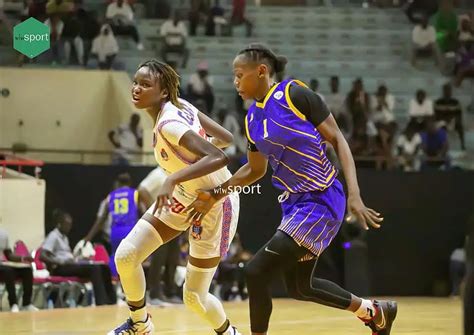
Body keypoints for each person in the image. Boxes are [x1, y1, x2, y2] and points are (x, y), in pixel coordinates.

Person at [185, 43, 396, 335]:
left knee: (255, 271)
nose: (235, 82)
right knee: (300, 287)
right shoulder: (251, 119)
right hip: (293, 206)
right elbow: (255, 170)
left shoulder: (293, 93)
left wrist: (354, 195)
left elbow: (338, 139)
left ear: (261, 71)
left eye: (239, 75)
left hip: (321, 200)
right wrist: (215, 195)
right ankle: (374, 311)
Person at [107, 60, 241, 335]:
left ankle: (229, 333)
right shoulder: (183, 106)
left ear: (164, 92)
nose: (136, 88)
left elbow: (219, 155)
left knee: (194, 297)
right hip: (186, 194)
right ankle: (140, 324)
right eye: (136, 82)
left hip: (214, 201)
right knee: (127, 255)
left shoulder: (169, 123)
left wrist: (173, 178)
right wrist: (187, 172)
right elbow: (225, 137)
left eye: (145, 84)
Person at [40, 210, 117, 305]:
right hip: (60, 268)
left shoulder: (64, 237)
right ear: (59, 224)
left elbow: (67, 255)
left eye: (70, 224)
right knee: (95, 269)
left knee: (104, 267)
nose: (69, 227)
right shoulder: (53, 236)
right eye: (67, 224)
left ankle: (112, 301)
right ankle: (101, 302)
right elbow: (42, 255)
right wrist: (59, 261)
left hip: (70, 265)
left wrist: (79, 259)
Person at [137, 167, 182, 306]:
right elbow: (142, 189)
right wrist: (155, 207)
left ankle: (170, 291)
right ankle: (154, 294)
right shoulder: (159, 172)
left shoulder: (178, 171)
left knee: (173, 258)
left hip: (174, 221)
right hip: (160, 221)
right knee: (159, 257)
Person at [84, 173, 143, 277]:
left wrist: (88, 237)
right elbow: (143, 212)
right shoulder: (135, 194)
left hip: (115, 231)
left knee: (115, 256)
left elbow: (102, 219)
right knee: (133, 259)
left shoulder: (111, 196)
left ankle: (113, 281)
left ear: (118, 183)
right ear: (130, 183)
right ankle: (129, 286)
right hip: (130, 230)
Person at [0, 228, 38, 312]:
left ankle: (26, 304)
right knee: (8, 271)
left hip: (3, 265)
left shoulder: (3, 234)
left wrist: (23, 258)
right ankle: (13, 304)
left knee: (27, 270)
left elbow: (9, 255)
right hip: (4, 268)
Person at [434, 83, 465, 150]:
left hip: (452, 121)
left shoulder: (456, 102)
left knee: (459, 125)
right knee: (442, 126)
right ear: (443, 91)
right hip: (441, 121)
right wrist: (444, 119)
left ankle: (462, 144)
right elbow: (435, 115)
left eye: (449, 90)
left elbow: (459, 114)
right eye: (446, 90)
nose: (447, 92)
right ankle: (441, 146)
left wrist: (452, 119)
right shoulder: (438, 102)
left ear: (451, 91)